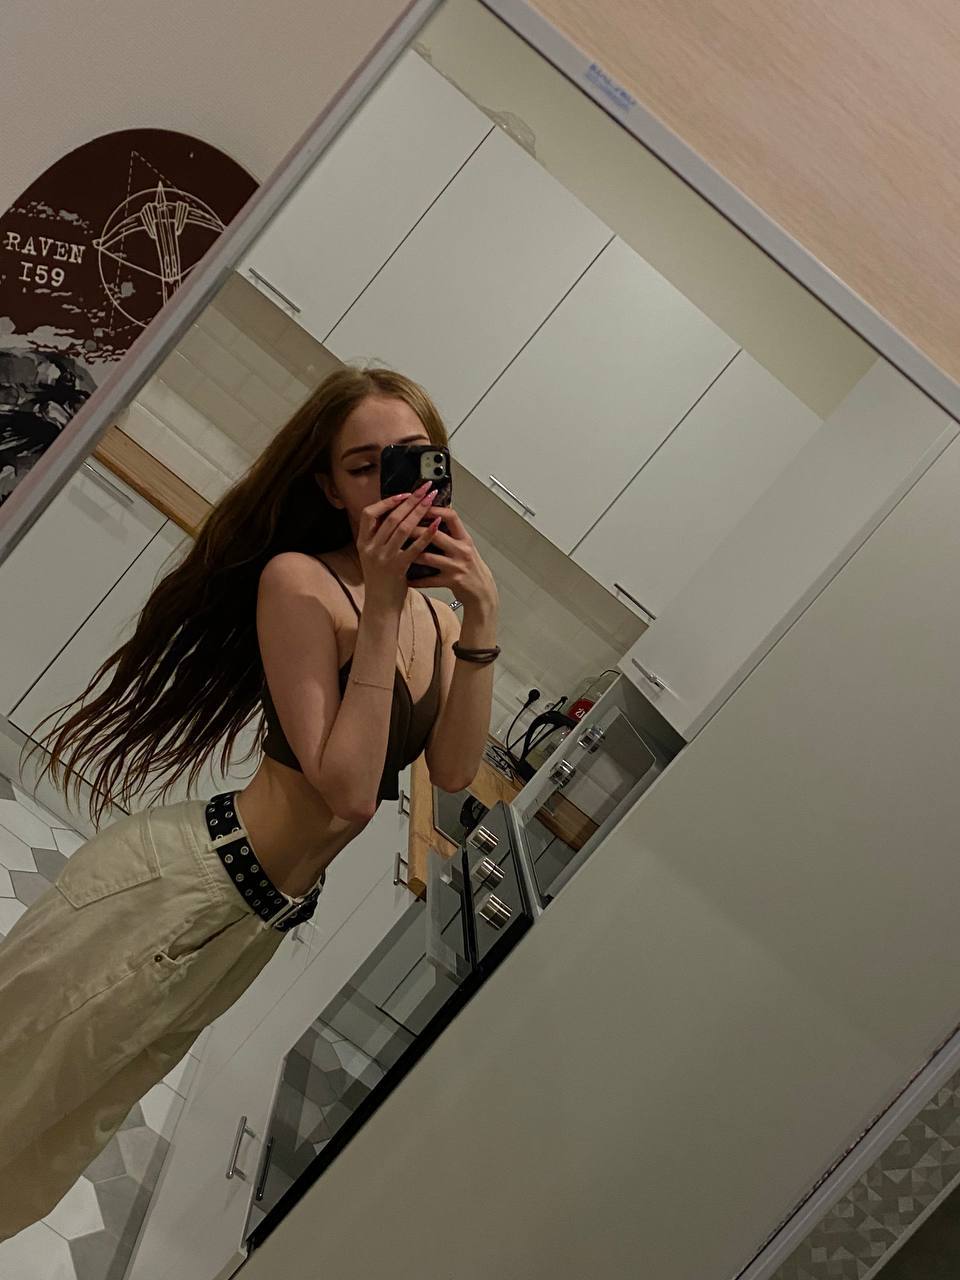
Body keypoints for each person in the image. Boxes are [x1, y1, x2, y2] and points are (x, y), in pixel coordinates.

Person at [0, 366, 499, 1239]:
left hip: (248, 928)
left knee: (54, 1136)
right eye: (364, 467)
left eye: (412, 459)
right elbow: (347, 790)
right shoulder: (302, 583)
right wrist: (383, 600)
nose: (392, 485)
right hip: (177, 893)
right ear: (330, 488)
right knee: (15, 1090)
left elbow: (454, 772)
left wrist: (483, 613)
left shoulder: (442, 623)